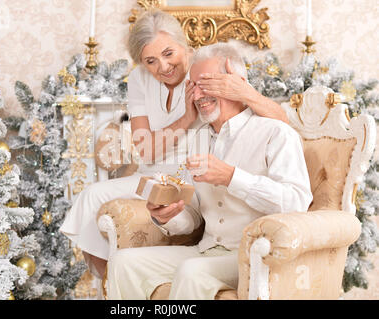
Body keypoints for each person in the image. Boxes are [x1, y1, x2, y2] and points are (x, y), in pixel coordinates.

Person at [59, 9, 288, 279]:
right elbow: (145, 151)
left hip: (193, 171)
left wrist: (243, 91)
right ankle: (110, 284)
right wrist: (186, 119)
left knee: (93, 196)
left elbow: (280, 121)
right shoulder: (139, 80)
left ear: (184, 45)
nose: (163, 67)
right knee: (90, 198)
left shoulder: (202, 70)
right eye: (151, 61)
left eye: (169, 54)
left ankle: (115, 283)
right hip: (153, 170)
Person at [106, 42, 313, 300]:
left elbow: (297, 202)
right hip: (205, 251)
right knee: (123, 262)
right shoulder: (199, 138)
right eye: (193, 86)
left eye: (207, 83)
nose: (198, 95)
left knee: (192, 272)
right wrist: (167, 215)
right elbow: (193, 216)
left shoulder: (275, 132)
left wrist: (231, 177)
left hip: (252, 256)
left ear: (236, 82)